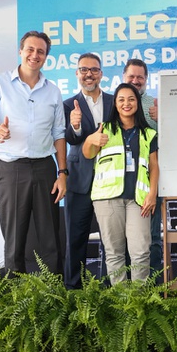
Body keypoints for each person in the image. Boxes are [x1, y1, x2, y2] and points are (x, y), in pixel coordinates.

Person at [0, 30, 67, 274]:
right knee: (14, 236)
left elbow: (59, 134)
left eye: (41, 51)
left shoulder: (53, 90)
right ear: (20, 51)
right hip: (11, 168)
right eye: (30, 50)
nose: (35, 55)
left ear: (46, 56)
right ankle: (16, 300)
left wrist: (63, 173)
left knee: (49, 235)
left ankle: (52, 293)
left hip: (45, 167)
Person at [83, 83, 159, 284]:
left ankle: (139, 304)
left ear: (138, 103)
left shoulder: (148, 134)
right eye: (121, 100)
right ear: (115, 104)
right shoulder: (104, 130)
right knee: (115, 254)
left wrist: (152, 194)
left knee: (141, 252)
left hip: (138, 200)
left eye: (131, 99)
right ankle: (122, 305)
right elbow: (88, 153)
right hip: (107, 199)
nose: (127, 104)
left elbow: (154, 166)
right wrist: (91, 139)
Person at [63, 53, 113, 288]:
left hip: (112, 181)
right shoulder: (67, 105)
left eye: (93, 70)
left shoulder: (115, 102)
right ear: (77, 74)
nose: (89, 74)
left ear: (101, 74)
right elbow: (69, 140)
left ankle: (110, 290)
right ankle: (73, 291)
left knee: (112, 242)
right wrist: (75, 124)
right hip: (79, 180)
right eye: (84, 70)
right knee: (75, 239)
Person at [123, 59, 163, 279]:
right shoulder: (115, 104)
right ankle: (125, 291)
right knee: (124, 241)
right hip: (123, 186)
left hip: (150, 184)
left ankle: (153, 289)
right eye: (131, 76)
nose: (135, 81)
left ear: (146, 80)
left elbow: (164, 143)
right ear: (124, 77)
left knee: (152, 238)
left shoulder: (155, 105)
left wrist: (161, 120)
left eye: (140, 77)